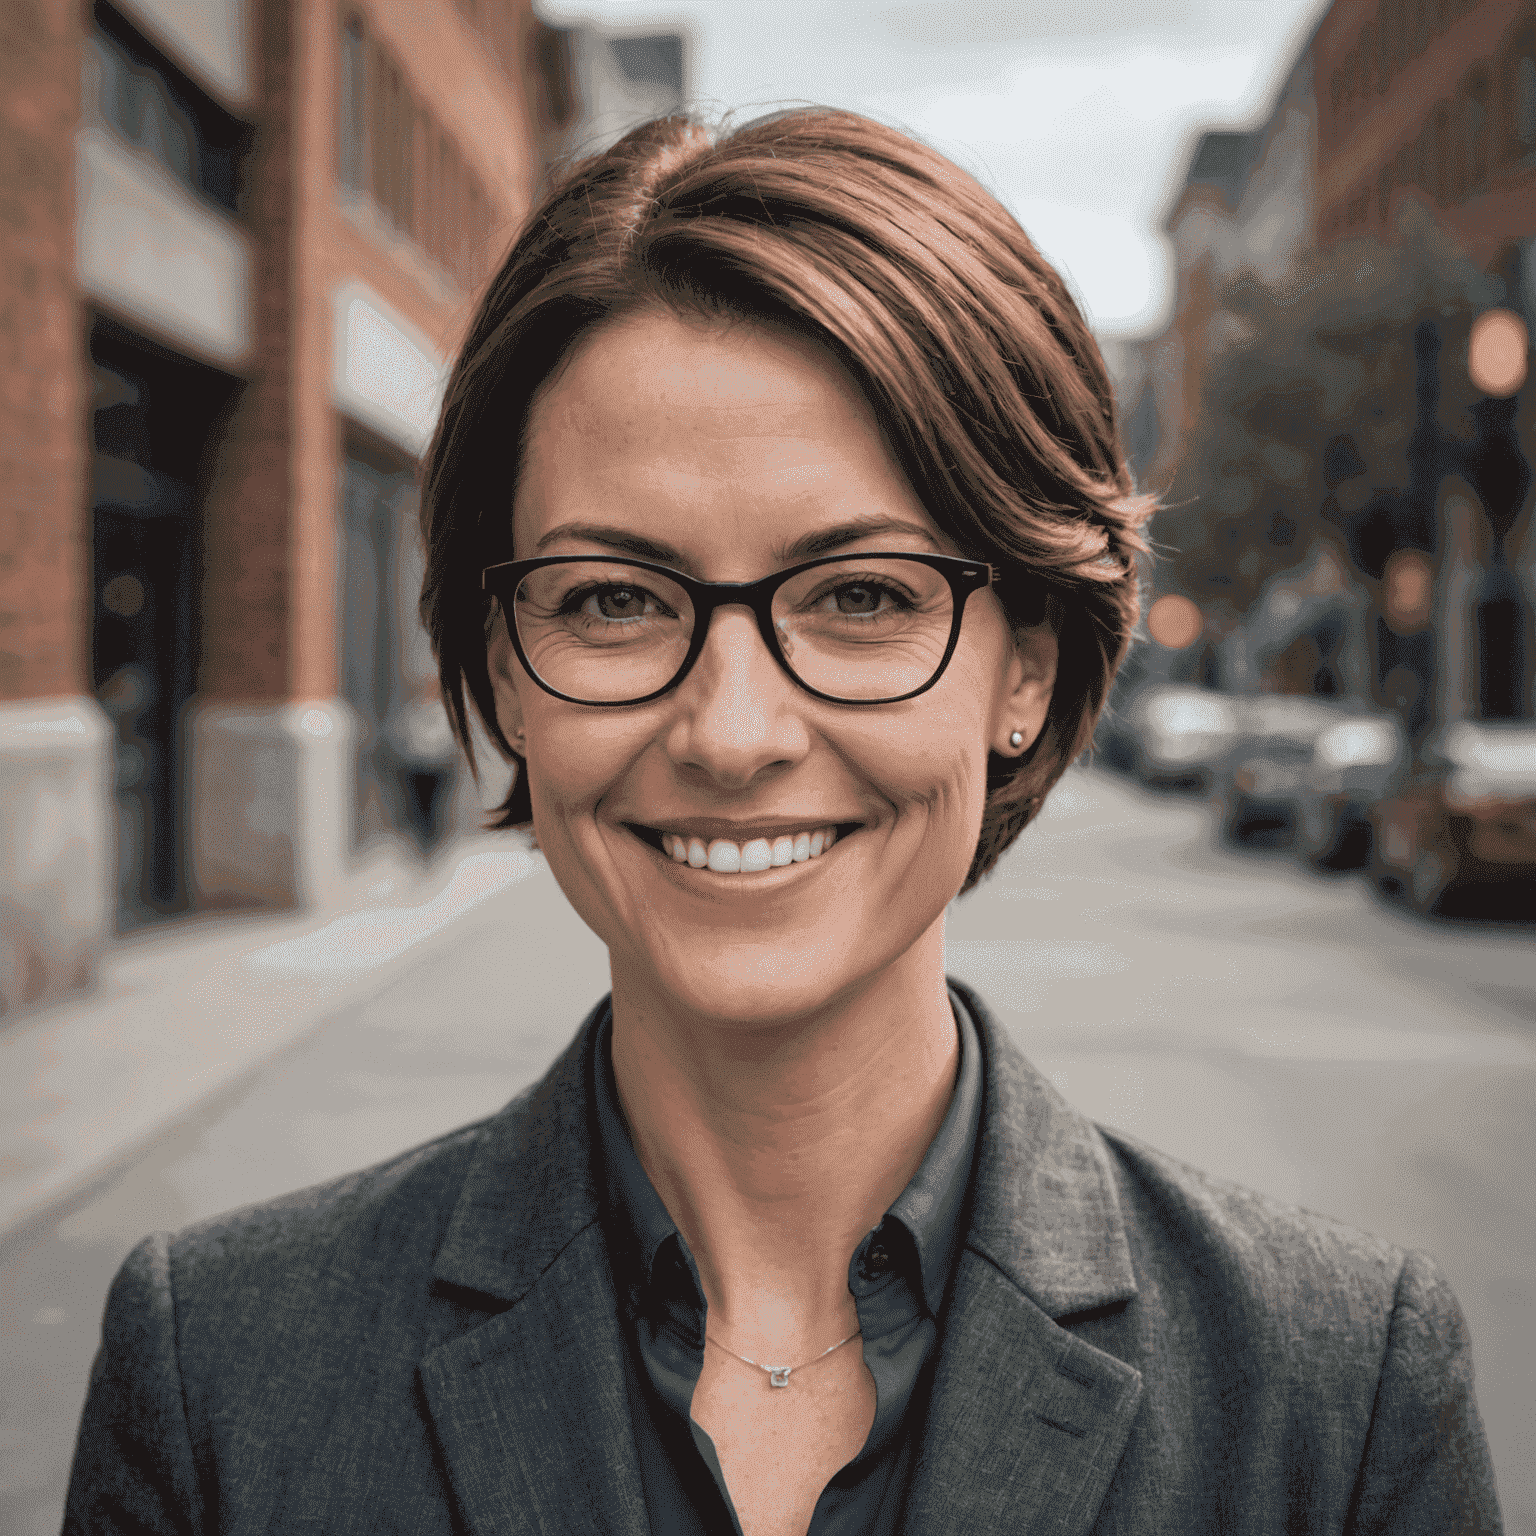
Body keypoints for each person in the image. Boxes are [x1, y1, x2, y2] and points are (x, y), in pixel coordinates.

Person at [64, 108, 1501, 1536]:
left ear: (1029, 668)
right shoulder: (218, 1377)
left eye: (862, 597)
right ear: (504, 668)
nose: (733, 734)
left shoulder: (1334, 1393)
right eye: (613, 601)